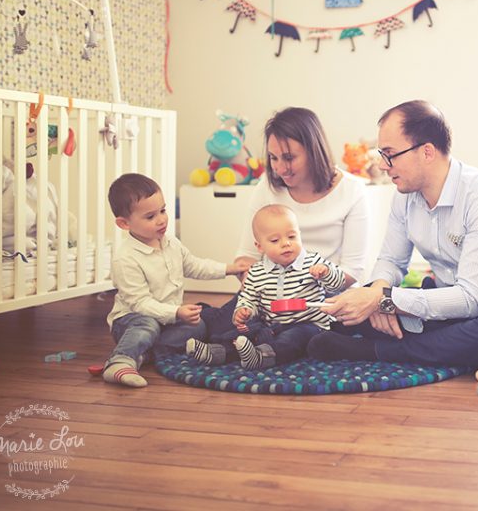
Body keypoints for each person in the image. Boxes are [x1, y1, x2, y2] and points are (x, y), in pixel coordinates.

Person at [307, 100, 478, 369]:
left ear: (427, 152)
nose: (384, 166)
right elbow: (391, 262)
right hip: (445, 300)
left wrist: (384, 300)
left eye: (390, 154)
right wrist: (377, 296)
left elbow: (470, 299)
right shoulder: (404, 196)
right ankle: (429, 344)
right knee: (339, 308)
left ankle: (374, 350)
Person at [200, 107, 369, 357]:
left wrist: (306, 289)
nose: (280, 168)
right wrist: (264, 295)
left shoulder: (352, 190)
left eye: (289, 158)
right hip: (270, 294)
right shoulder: (266, 187)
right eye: (274, 158)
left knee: (308, 337)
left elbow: (354, 270)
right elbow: (246, 256)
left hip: (323, 300)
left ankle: (259, 346)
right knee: (220, 325)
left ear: (313, 151)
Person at [104, 173, 251, 387]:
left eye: (163, 210)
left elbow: (194, 265)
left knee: (198, 327)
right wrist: (176, 312)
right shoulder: (125, 259)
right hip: (132, 320)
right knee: (148, 325)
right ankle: (120, 360)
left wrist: (229, 269)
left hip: (167, 318)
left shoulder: (170, 243)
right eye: (150, 216)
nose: (162, 219)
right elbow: (140, 304)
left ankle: (147, 355)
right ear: (124, 223)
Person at [186, 204, 347, 369]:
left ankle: (263, 357)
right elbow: (248, 298)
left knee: (291, 339)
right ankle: (218, 352)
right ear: (260, 247)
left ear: (300, 235)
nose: (286, 244)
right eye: (275, 240)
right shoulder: (257, 271)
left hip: (308, 325)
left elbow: (338, 283)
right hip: (270, 325)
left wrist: (327, 273)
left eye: (291, 237)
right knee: (244, 334)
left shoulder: (313, 262)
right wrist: (244, 311)